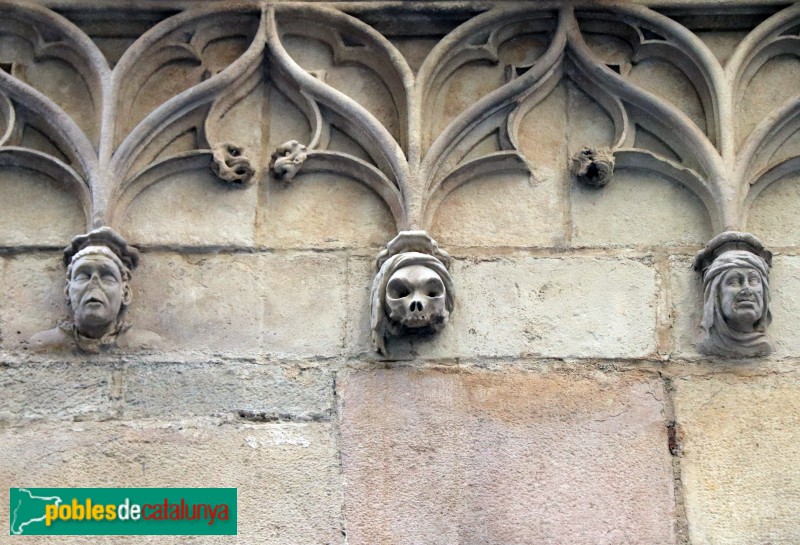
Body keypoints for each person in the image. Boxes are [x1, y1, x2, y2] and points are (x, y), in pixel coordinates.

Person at [30, 227, 161, 353]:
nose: (93, 284)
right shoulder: (45, 344)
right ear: (67, 291)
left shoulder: (145, 343)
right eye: (82, 277)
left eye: (107, 278)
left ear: (125, 293)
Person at [694, 233, 773, 357]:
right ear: (716, 294)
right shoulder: (710, 344)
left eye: (754, 281)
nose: (747, 289)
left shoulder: (765, 345)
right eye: (735, 281)